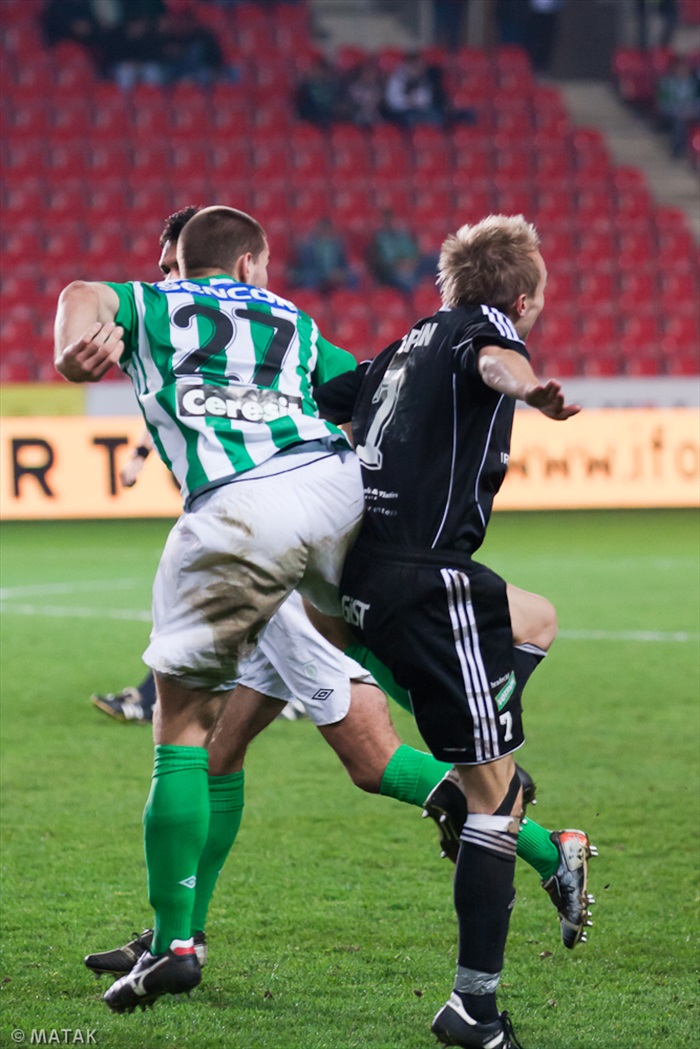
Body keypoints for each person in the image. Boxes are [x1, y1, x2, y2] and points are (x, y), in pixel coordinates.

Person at [78, 208, 590, 1008]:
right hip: (326, 516)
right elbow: (372, 387)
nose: (167, 272)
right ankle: (180, 929)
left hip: (271, 537)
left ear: (209, 263)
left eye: (172, 258)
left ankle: (538, 840)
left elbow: (85, 296)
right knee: (226, 748)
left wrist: (525, 388)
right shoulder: (291, 325)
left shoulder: (165, 310)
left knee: (365, 755)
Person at [314, 214, 594, 1048]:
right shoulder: (488, 331)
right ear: (522, 293)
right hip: (428, 581)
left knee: (534, 620)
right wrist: (526, 387)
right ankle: (473, 1008)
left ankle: (476, 746)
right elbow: (494, 360)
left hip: (365, 576)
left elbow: (329, 396)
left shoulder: (407, 342)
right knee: (496, 800)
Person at [289, 217, 357, 292]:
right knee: (310, 278)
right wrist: (323, 273)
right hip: (315, 274)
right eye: (323, 229)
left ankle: (348, 300)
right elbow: (304, 266)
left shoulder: (338, 246)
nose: (325, 232)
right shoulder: (307, 246)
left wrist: (341, 273)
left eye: (327, 230)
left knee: (352, 278)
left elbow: (344, 264)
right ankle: (310, 301)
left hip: (334, 274)